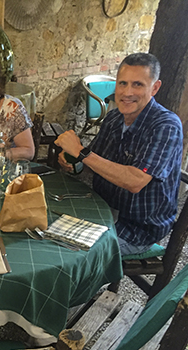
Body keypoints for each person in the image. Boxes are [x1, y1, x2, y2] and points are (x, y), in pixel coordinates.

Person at [55, 53, 183, 256]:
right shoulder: (114, 117)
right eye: (122, 83)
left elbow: (135, 181)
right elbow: (93, 160)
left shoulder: (166, 125)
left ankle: (92, 286)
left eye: (138, 85)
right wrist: (74, 164)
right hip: (102, 209)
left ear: (155, 88)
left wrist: (81, 152)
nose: (127, 92)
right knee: (46, 227)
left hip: (137, 227)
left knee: (70, 253)